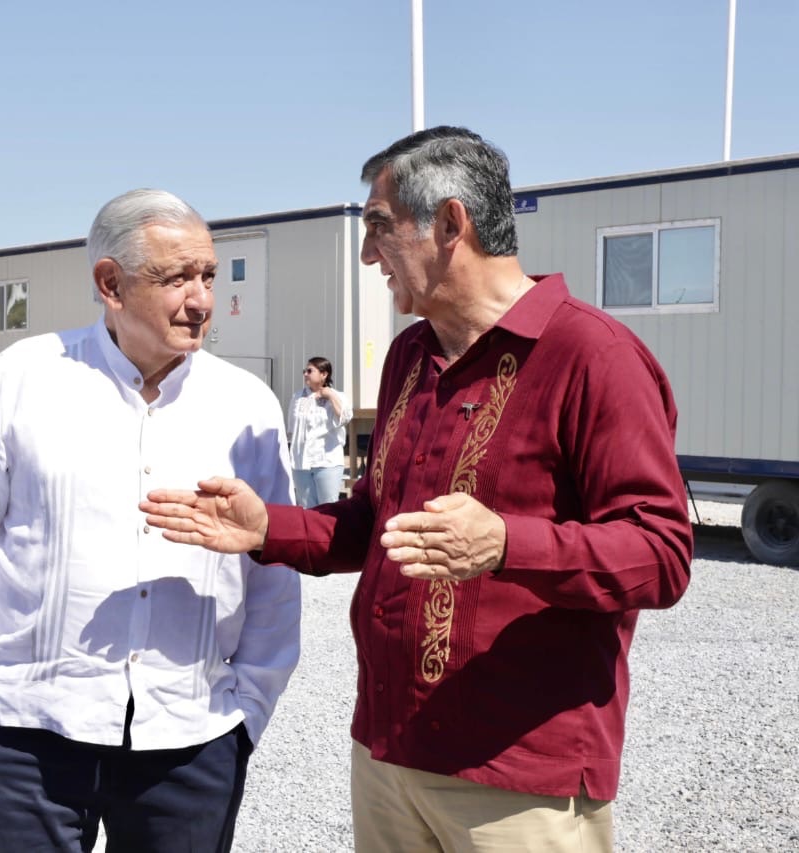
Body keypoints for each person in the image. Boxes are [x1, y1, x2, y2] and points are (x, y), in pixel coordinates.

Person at [141, 128, 693, 851]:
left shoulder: (594, 357)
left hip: (515, 781)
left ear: (450, 225)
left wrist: (505, 544)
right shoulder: (411, 354)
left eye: (378, 227)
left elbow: (661, 553)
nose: (368, 255)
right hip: (387, 753)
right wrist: (267, 528)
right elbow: (380, 520)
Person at [0, 188, 300, 852]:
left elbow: (274, 578)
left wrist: (245, 713)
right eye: (177, 277)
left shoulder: (249, 406)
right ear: (111, 284)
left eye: (208, 275)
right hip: (23, 732)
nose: (202, 299)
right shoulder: (24, 377)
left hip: (190, 738)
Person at [289, 356, 352, 507]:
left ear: (324, 374)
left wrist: (329, 395)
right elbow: (291, 428)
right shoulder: (297, 397)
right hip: (300, 463)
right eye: (304, 371)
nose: (305, 374)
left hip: (326, 461)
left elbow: (344, 418)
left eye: (310, 371)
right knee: (306, 508)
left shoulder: (338, 396)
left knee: (328, 507)